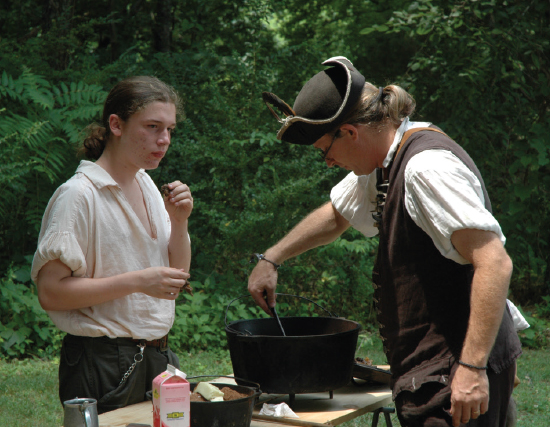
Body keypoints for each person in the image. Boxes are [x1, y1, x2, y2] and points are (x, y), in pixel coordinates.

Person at [249, 56, 522, 427]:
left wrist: (473, 368)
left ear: (349, 132)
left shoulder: (425, 169)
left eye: (325, 152)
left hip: (454, 372)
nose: (328, 162)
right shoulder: (385, 159)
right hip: (438, 369)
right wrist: (272, 259)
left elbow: (494, 262)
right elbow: (336, 215)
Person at [31, 76, 193, 414]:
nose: (163, 140)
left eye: (169, 129)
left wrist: (179, 223)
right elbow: (50, 293)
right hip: (100, 362)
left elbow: (175, 280)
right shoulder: (79, 195)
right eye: (152, 126)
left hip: (157, 358)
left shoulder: (148, 185)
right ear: (116, 125)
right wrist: (138, 281)